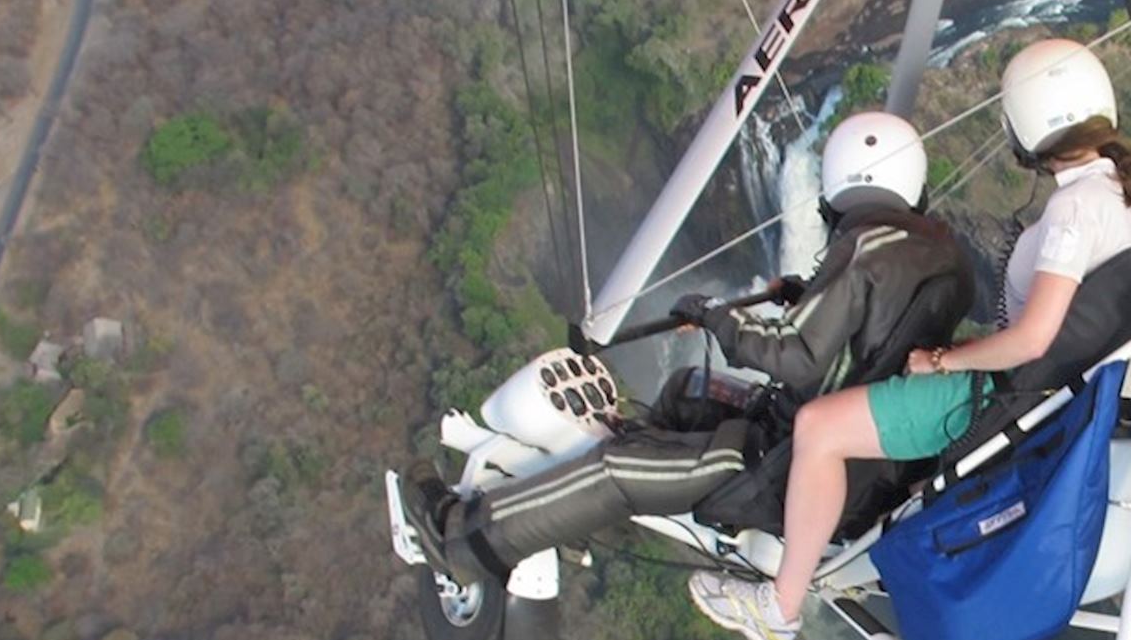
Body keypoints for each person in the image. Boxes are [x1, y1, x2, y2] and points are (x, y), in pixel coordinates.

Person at [689, 38, 1131, 640]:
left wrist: (945, 359)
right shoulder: (1128, 197)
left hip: (1002, 396)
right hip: (1040, 392)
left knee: (819, 426)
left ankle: (780, 606)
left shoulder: (1076, 209)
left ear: (1024, 125)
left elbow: (1035, 336)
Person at [404, 111, 970, 576]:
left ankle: (461, 542)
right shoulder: (937, 253)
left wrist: (714, 317)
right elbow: (879, 328)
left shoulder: (865, 250)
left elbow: (794, 355)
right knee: (688, 389)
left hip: (787, 467)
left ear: (836, 188)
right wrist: (808, 293)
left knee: (618, 469)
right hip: (867, 463)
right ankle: (576, 501)